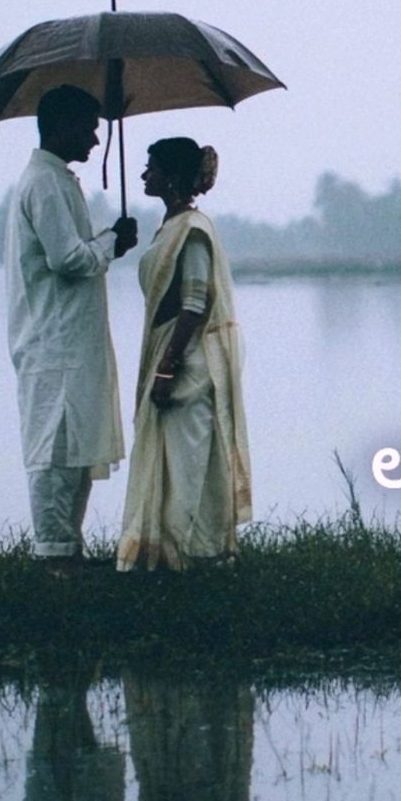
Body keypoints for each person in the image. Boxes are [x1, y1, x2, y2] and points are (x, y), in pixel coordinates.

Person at [5, 84, 138, 569]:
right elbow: (67, 259)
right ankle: (54, 555)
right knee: (55, 451)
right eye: (89, 128)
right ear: (61, 126)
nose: (95, 140)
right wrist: (111, 243)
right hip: (54, 343)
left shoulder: (56, 180)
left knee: (74, 447)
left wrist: (108, 243)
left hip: (68, 342)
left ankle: (67, 549)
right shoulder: (44, 183)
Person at [117, 137, 252, 570]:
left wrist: (167, 369)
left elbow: (194, 305)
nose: (144, 175)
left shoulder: (192, 232)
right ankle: (165, 552)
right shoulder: (170, 227)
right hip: (170, 351)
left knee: (188, 461)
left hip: (188, 361)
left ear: (172, 176)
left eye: (152, 167)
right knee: (170, 457)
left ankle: (194, 553)